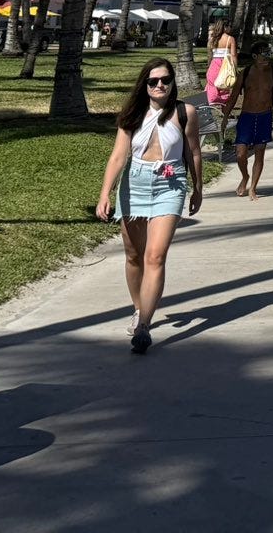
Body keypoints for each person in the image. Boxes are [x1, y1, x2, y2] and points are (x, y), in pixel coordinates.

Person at [95, 58, 203, 353]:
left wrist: (197, 189)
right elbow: (118, 156)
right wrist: (105, 194)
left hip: (171, 185)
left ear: (173, 82)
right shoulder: (132, 114)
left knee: (155, 256)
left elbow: (194, 152)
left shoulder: (185, 113)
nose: (160, 86)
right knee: (134, 256)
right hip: (135, 184)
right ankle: (138, 307)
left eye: (165, 80)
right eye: (153, 81)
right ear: (144, 84)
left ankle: (144, 324)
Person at [230, 42, 273, 199]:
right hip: (246, 117)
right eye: (264, 54)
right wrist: (225, 116)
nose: (267, 57)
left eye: (269, 53)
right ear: (255, 56)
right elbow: (234, 95)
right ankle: (245, 176)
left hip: (264, 116)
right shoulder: (245, 73)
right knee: (240, 153)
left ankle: (253, 188)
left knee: (259, 153)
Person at [204, 22, 239, 136]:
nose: (230, 28)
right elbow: (233, 55)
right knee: (224, 90)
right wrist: (235, 70)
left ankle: (206, 116)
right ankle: (225, 117)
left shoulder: (213, 38)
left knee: (211, 90)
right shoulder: (230, 39)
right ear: (225, 27)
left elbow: (210, 55)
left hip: (213, 66)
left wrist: (209, 67)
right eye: (229, 26)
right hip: (224, 67)